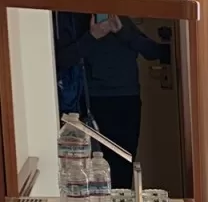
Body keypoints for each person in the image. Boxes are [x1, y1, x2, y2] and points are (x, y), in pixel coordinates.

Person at [54, 13, 171, 185]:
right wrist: (92, 36)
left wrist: (122, 32)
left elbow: (153, 51)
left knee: (123, 165)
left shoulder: (120, 18)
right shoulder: (73, 19)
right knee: (92, 169)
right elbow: (59, 60)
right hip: (90, 103)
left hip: (127, 101)